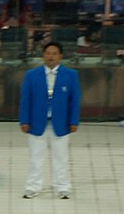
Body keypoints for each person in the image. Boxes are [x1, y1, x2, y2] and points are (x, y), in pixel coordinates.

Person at [21, 42, 81, 200]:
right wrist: (24, 120)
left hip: (61, 123)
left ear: (60, 56)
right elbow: (25, 99)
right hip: (37, 122)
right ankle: (33, 186)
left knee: (61, 157)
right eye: (48, 53)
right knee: (36, 157)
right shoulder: (32, 75)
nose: (51, 56)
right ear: (43, 55)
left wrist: (74, 121)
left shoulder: (71, 75)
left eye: (54, 53)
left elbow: (75, 100)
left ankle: (63, 187)